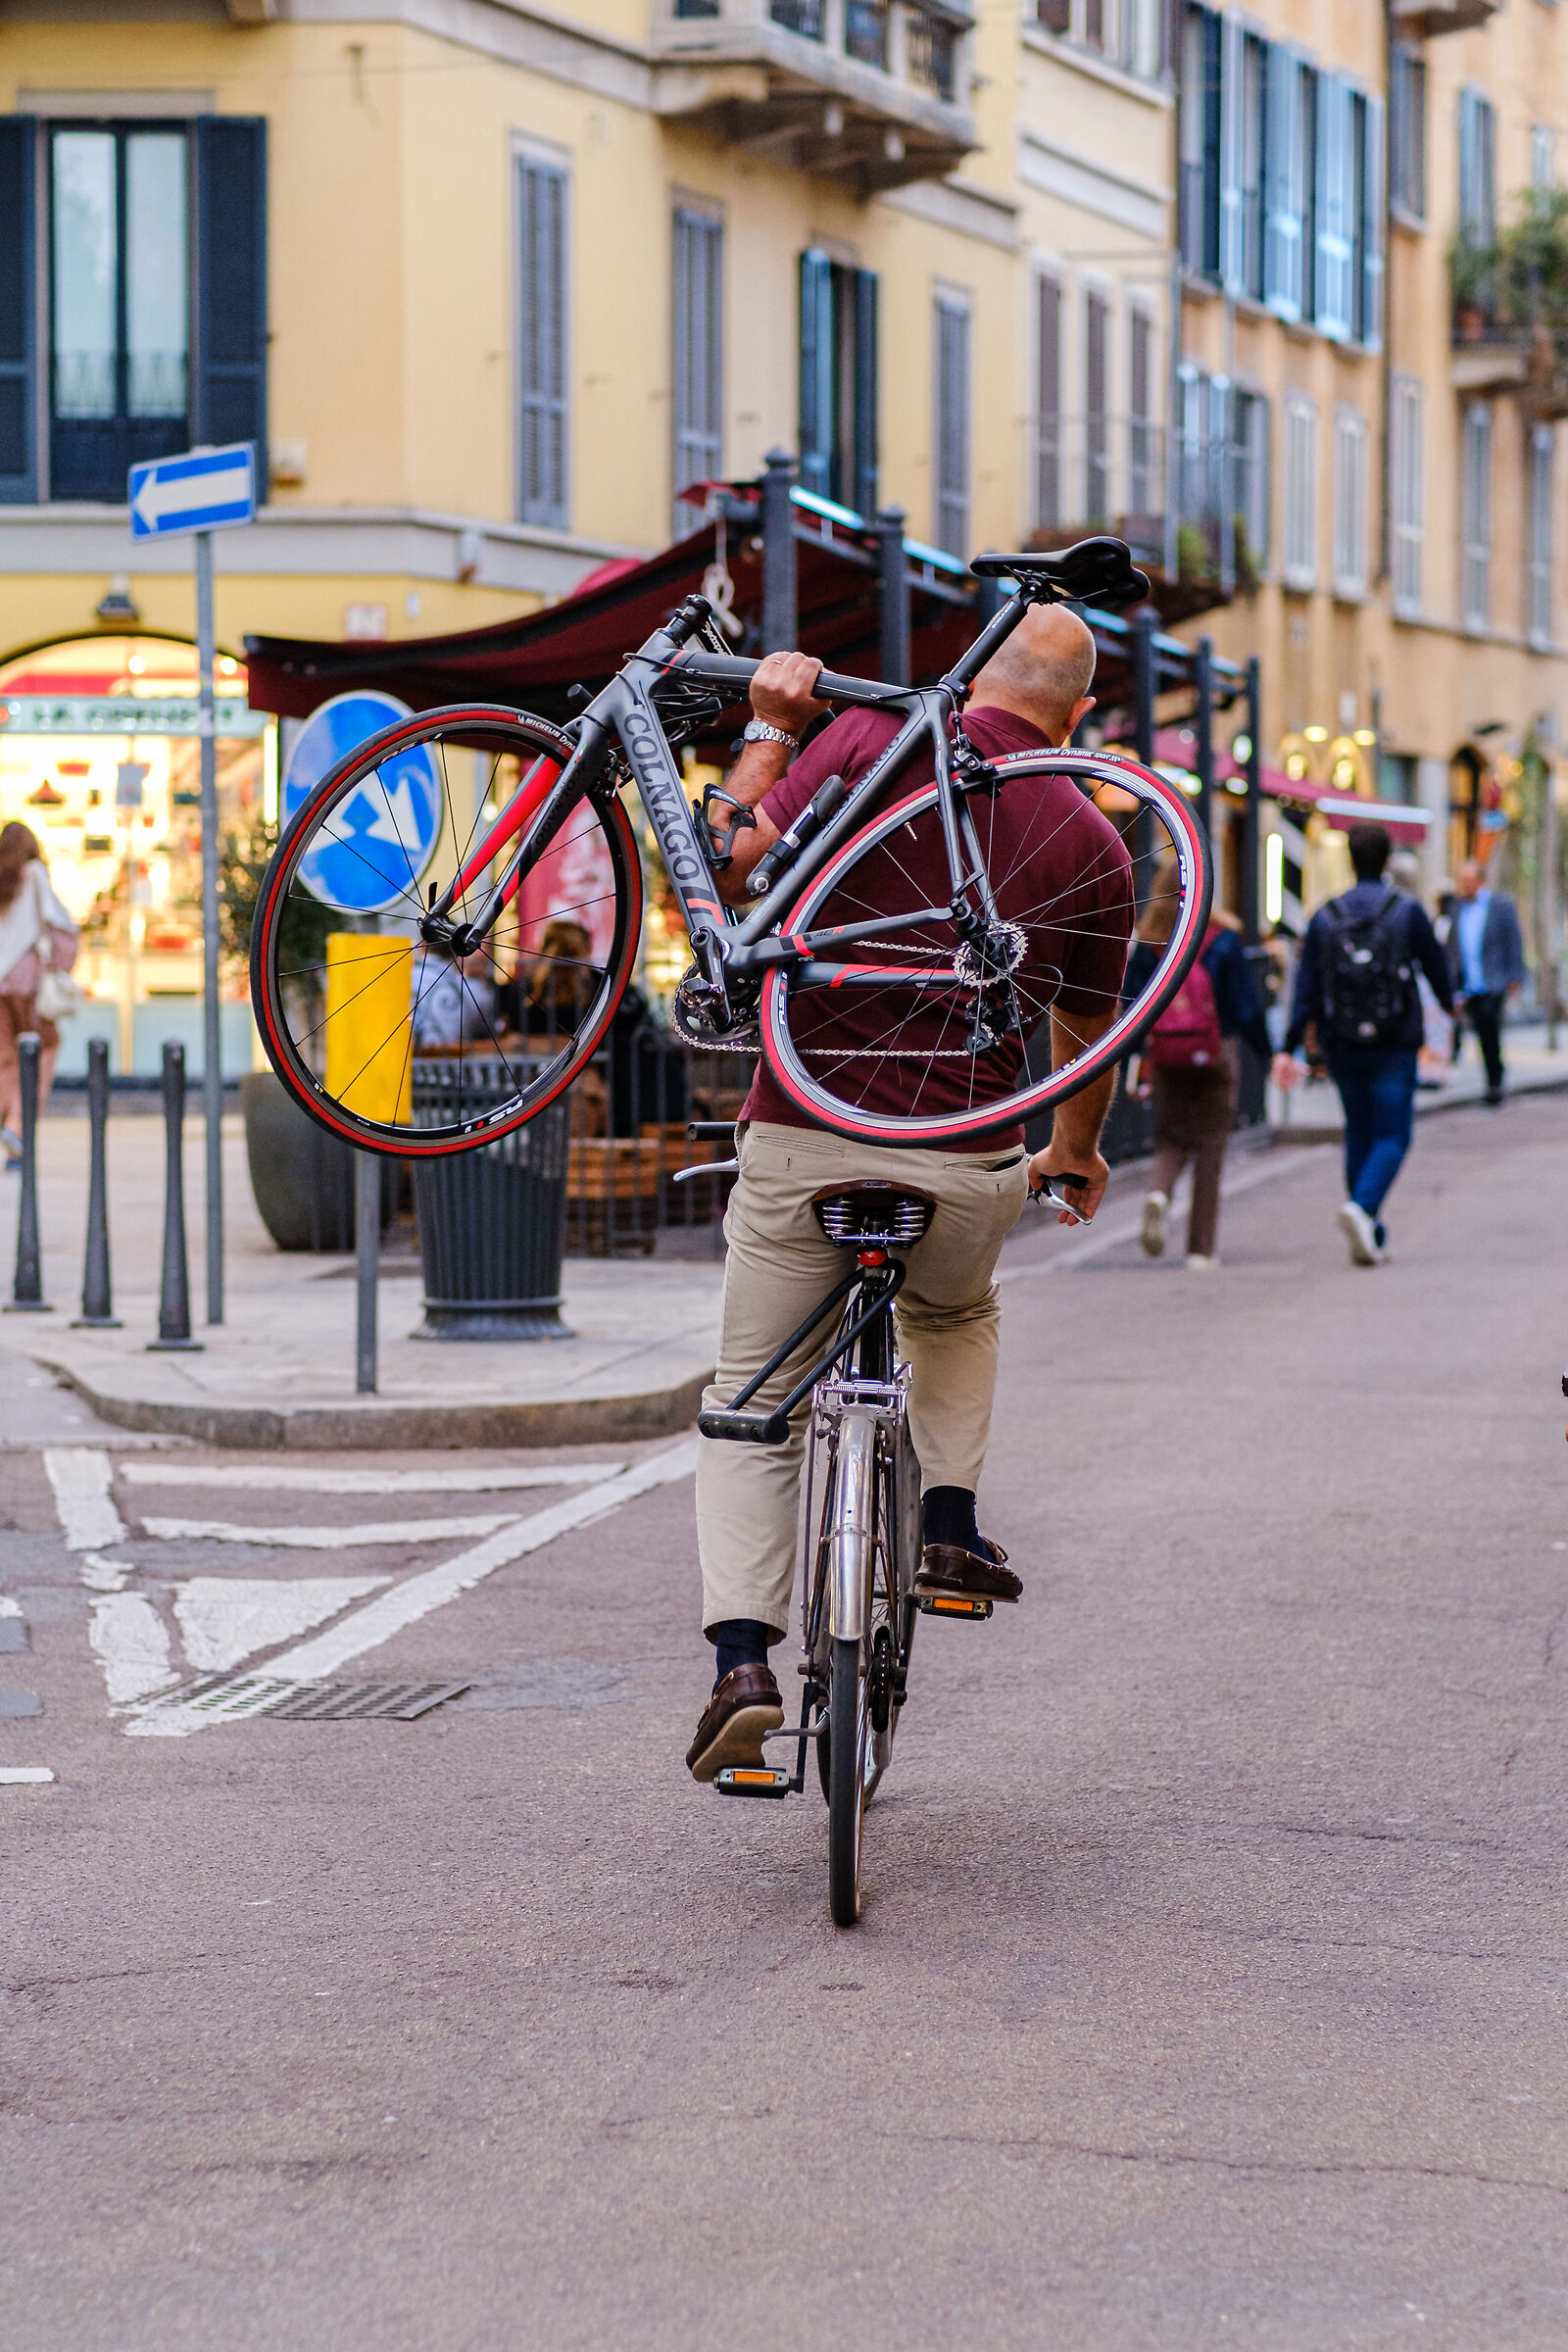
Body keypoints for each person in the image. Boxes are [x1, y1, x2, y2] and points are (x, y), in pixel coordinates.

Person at [681, 605, 1133, 1782]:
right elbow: (1089, 1036)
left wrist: (773, 732)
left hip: (800, 1128)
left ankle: (740, 1663)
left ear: (970, 677)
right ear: (1077, 715)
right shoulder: (1092, 836)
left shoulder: (863, 746)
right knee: (952, 1314)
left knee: (750, 1399)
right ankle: (945, 1530)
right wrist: (1072, 1153)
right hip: (965, 1151)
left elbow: (729, 863)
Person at [1272, 820, 1452, 1267]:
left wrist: (1290, 1044)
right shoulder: (1407, 911)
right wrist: (1451, 1009)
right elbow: (1437, 971)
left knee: (1360, 1131)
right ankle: (1363, 1209)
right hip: (1395, 1040)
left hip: (1343, 1042)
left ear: (1350, 858)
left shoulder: (1326, 915)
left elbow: (1307, 988)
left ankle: (1370, 1230)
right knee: (1393, 1134)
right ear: (1388, 858)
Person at [1126, 855, 1270, 1269]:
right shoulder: (1221, 939)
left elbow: (1130, 1005)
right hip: (1215, 1051)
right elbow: (1246, 1007)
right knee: (1210, 1144)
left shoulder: (1150, 940)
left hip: (1166, 1051)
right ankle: (1200, 1249)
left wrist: (1138, 1057)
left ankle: (1159, 1193)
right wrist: (1268, 1052)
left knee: (1170, 1136)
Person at [0, 820, 79, 1169]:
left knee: (6, 1059)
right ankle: (17, 1130)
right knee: (41, 1052)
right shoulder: (33, 874)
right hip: (28, 985)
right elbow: (60, 926)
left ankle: (10, 1129)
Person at [1447, 857, 1526, 1104]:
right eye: (1463, 881)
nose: (1466, 885)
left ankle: (1495, 1081)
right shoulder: (1457, 907)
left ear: (1480, 880)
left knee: (1488, 1025)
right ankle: (1493, 1075)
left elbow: (1513, 940)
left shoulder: (1500, 905)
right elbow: (1452, 946)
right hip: (1468, 982)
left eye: (1470, 880)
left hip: (1493, 980)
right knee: (1480, 1031)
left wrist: (1515, 974)